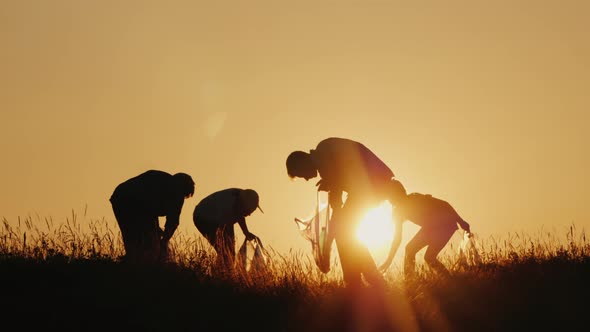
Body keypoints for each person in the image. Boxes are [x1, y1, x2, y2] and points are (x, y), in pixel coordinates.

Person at [286, 137, 406, 289]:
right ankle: (360, 280)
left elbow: (337, 206)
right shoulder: (324, 156)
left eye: (301, 174)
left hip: (373, 184)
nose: (306, 179)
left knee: (343, 230)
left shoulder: (324, 157)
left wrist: (326, 247)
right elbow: (340, 187)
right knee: (344, 230)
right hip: (373, 184)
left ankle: (359, 281)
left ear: (303, 163)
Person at [110, 170, 195, 263]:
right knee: (141, 239)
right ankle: (138, 264)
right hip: (127, 199)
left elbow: (170, 221)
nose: (181, 198)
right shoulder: (168, 189)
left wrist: (162, 237)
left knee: (136, 238)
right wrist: (162, 241)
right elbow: (168, 221)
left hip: (121, 196)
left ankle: (134, 262)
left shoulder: (168, 186)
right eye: (183, 195)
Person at [379, 192, 472, 278]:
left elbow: (444, 204)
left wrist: (461, 221)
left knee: (427, 256)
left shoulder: (415, 198)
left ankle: (448, 280)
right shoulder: (398, 212)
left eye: (392, 199)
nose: (392, 202)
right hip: (431, 227)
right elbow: (397, 238)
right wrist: (389, 261)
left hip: (445, 225)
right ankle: (410, 281)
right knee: (415, 251)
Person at [193, 188, 263, 271]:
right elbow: (227, 228)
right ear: (245, 204)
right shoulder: (229, 205)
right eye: (249, 210)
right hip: (203, 218)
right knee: (226, 252)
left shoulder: (239, 199)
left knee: (226, 252)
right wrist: (231, 249)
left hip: (207, 216)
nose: (249, 214)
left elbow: (239, 215)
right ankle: (220, 275)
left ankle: (220, 274)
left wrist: (246, 232)